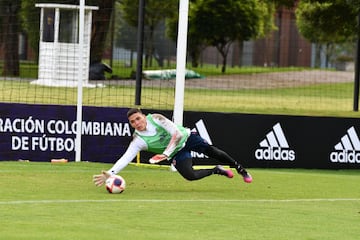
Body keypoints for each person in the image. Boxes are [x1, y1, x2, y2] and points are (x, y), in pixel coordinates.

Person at [93, 108, 252, 187]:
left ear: (143, 116)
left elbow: (177, 134)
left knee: (213, 151)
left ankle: (240, 168)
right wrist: (111, 173)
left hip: (186, 138)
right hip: (176, 152)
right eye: (133, 122)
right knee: (190, 176)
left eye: (138, 119)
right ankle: (216, 170)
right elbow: (126, 157)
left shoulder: (156, 118)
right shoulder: (138, 140)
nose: (137, 123)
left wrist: (165, 154)